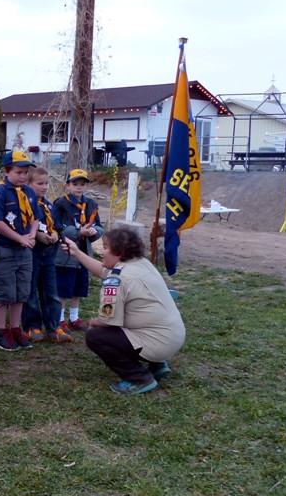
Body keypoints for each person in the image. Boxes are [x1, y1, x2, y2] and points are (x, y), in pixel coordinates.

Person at [62, 228, 185, 394]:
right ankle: (157, 364)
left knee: (96, 335)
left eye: (105, 247)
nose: (100, 251)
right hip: (172, 337)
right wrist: (76, 253)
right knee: (127, 324)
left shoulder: (118, 279)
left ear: (119, 252)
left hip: (157, 342)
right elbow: (104, 271)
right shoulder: (140, 263)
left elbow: (107, 321)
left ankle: (139, 379)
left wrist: (93, 322)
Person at [0, 150, 39, 350]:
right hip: (6, 249)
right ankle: (0, 331)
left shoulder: (28, 192)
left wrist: (32, 235)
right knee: (4, 291)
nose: (23, 176)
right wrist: (20, 238)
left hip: (25, 249)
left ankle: (15, 328)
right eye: (19, 172)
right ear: (6, 172)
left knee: (21, 291)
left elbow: (36, 216)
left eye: (26, 172)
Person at [22, 166, 72, 343]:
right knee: (30, 291)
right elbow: (23, 227)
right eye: (39, 183)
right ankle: (32, 326)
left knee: (50, 290)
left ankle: (53, 326)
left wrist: (54, 236)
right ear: (28, 184)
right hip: (32, 253)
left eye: (46, 183)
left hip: (49, 253)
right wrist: (37, 235)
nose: (44, 187)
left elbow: (56, 227)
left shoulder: (49, 205)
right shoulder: (25, 204)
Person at [53, 168, 104, 332]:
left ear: (87, 187)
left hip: (84, 253)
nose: (79, 188)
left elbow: (99, 226)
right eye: (75, 184)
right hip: (66, 253)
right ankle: (59, 319)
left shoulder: (91, 204)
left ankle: (74, 318)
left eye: (82, 184)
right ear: (67, 185)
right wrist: (77, 232)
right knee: (63, 288)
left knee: (78, 288)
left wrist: (94, 232)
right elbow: (57, 227)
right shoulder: (61, 203)